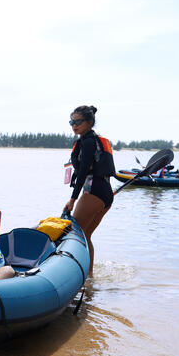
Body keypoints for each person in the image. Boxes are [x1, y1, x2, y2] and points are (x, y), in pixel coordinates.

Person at [63, 105, 116, 277]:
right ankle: (89, 276)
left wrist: (72, 199)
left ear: (90, 122)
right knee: (85, 236)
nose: (74, 125)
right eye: (72, 121)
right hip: (105, 193)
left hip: (94, 191)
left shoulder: (87, 142)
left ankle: (73, 276)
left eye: (78, 121)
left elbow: (84, 172)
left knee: (73, 235)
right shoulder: (92, 140)